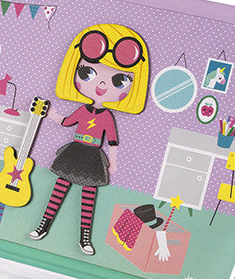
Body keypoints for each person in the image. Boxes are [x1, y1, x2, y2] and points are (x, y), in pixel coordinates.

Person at [29, 24, 149, 254]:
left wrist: (113, 162)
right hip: (76, 150)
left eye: (118, 81)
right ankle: (43, 225)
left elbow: (112, 141)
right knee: (59, 187)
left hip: (93, 155)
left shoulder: (107, 117)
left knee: (89, 196)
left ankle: (85, 238)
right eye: (87, 73)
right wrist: (49, 113)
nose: (102, 85)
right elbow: (66, 122)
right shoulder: (82, 110)